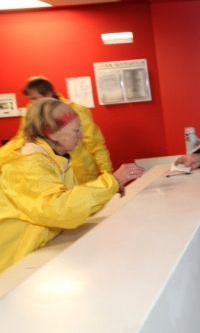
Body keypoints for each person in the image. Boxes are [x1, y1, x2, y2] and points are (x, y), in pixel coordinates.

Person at [0, 98, 144, 272]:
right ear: (53, 134)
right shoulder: (30, 164)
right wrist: (112, 182)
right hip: (12, 261)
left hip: (32, 251)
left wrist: (108, 189)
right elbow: (58, 210)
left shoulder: (55, 158)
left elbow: (70, 202)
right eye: (76, 130)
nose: (81, 135)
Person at [0, 76, 113, 183]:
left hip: (80, 173)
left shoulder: (76, 111)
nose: (32, 103)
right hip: (49, 172)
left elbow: (96, 145)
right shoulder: (31, 113)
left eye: (35, 98)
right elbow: (21, 140)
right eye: (30, 99)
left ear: (49, 94)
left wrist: (108, 174)